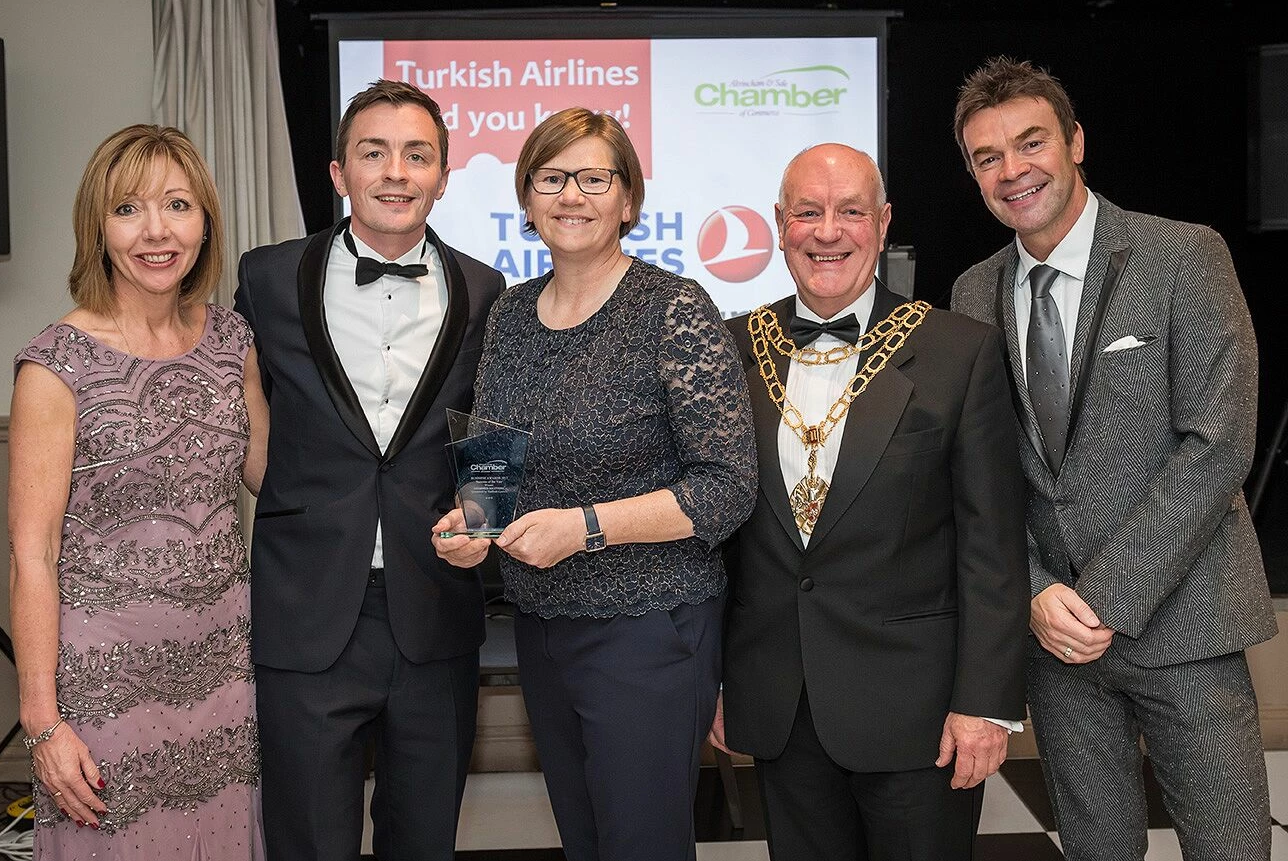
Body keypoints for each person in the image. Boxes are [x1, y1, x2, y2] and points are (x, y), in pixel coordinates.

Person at [950, 56, 1278, 860]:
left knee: (1230, 848)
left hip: (1186, 624)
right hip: (1056, 640)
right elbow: (978, 475)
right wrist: (1034, 593)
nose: (1012, 171)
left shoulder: (1183, 256)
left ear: (1076, 141)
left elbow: (1218, 444)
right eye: (987, 158)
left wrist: (1103, 598)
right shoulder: (970, 292)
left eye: (1030, 143)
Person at [434, 107, 756, 861]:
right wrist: (470, 525)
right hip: (542, 628)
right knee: (585, 842)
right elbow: (494, 459)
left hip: (648, 631)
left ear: (628, 200)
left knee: (640, 844)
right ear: (527, 198)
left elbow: (726, 486)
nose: (570, 195)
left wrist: (582, 526)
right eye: (551, 178)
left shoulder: (675, 310)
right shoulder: (511, 312)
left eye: (592, 178)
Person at [710, 143, 1029, 860]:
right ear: (779, 225)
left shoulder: (958, 350)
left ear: (882, 224)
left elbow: (993, 546)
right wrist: (724, 677)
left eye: (850, 211)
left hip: (919, 710)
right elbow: (722, 539)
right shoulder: (731, 348)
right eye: (808, 213)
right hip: (780, 701)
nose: (829, 231)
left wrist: (985, 702)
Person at [233, 79, 503, 861]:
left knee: (424, 843)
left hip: (434, 611)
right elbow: (239, 416)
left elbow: (490, 427)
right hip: (305, 614)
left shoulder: (487, 290)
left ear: (444, 177)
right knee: (307, 843)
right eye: (374, 152)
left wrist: (480, 519)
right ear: (337, 171)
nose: (396, 171)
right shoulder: (266, 278)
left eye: (417, 155)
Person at [7, 124, 267, 857]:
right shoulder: (55, 365)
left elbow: (276, 479)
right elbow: (34, 556)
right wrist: (43, 721)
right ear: (98, 226)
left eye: (178, 205)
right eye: (128, 209)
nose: (156, 231)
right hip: (104, 689)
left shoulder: (232, 340)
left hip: (226, 676)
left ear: (205, 221)